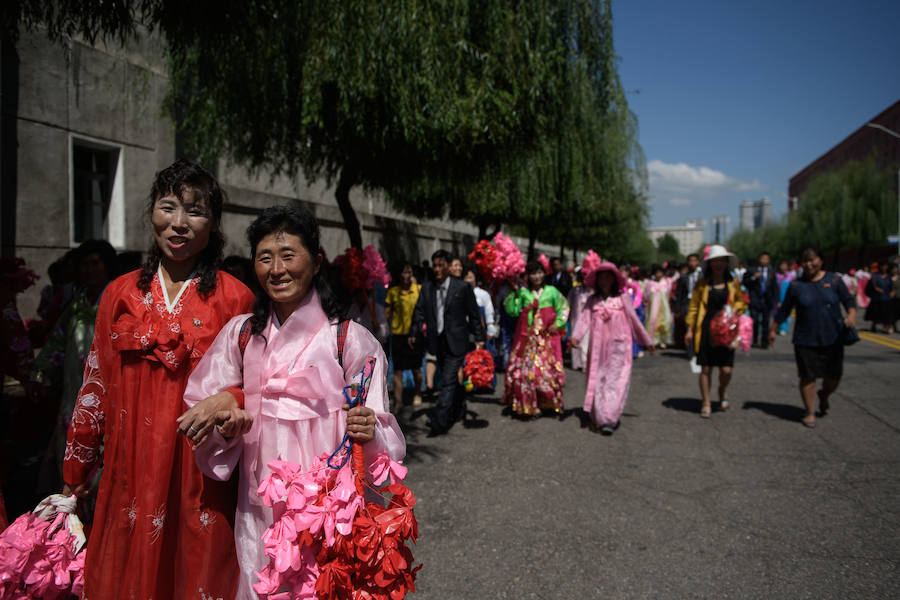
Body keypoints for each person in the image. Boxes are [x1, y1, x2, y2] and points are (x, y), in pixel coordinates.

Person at [182, 202, 406, 598]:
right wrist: (228, 424)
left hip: (327, 505)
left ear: (316, 262)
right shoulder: (242, 334)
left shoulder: (349, 339)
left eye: (289, 255)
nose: (277, 269)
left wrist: (370, 430)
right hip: (259, 501)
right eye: (265, 258)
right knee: (261, 582)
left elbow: (382, 429)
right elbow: (204, 402)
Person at [62, 159, 255, 599]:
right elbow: (96, 384)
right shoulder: (120, 293)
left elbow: (257, 388)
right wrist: (77, 469)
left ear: (214, 223)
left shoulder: (234, 297)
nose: (179, 223)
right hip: (129, 471)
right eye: (169, 207)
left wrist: (230, 398)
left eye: (196, 211)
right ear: (152, 211)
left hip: (200, 476)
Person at [31, 240, 119, 502]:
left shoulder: (117, 302)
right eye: (85, 265)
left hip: (108, 394)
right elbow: (56, 344)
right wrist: (39, 374)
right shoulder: (75, 306)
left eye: (96, 264)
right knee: (71, 453)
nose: (90, 270)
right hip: (73, 395)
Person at [769, 246, 856, 428]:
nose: (809, 264)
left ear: (821, 260)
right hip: (805, 338)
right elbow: (784, 310)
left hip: (833, 337)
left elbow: (848, 300)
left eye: (812, 260)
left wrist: (852, 314)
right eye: (805, 261)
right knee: (807, 376)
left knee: (834, 376)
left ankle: (824, 394)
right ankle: (809, 411)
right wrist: (773, 329)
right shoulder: (796, 286)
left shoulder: (834, 280)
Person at [569, 262, 654, 434]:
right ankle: (599, 415)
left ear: (615, 279)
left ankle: (609, 418)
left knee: (617, 381)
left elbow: (635, 321)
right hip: (598, 348)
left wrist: (647, 340)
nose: (605, 280)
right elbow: (584, 319)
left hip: (620, 347)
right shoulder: (592, 300)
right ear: (597, 280)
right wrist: (576, 337)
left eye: (609, 276)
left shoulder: (623, 299)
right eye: (602, 276)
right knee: (598, 380)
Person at [409, 249, 484, 434]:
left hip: (458, 341)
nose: (437, 269)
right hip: (437, 341)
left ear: (448, 266)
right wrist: (414, 332)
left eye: (440, 265)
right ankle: (459, 406)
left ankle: (439, 421)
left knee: (448, 380)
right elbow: (419, 311)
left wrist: (479, 338)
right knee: (450, 380)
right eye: (434, 265)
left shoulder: (462, 287)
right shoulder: (427, 287)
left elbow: (473, 314)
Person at [685, 245, 746, 419]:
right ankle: (706, 402)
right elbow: (694, 307)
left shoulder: (732, 283)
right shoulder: (703, 284)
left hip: (726, 330)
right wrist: (690, 329)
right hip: (706, 329)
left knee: (726, 369)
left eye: (721, 261)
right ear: (709, 264)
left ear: (726, 263)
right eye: (715, 261)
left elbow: (741, 303)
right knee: (706, 368)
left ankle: (722, 389)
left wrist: (735, 310)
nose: (718, 264)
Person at [502, 260, 570, 417]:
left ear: (544, 274)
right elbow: (512, 311)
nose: (537, 276)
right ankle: (528, 404)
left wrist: (558, 324)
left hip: (547, 339)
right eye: (533, 273)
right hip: (526, 340)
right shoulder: (524, 293)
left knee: (545, 372)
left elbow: (564, 308)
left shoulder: (552, 291)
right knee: (527, 372)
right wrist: (514, 294)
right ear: (528, 276)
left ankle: (547, 402)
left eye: (539, 272)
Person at [385, 262, 424, 409]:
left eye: (409, 272)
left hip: (414, 335)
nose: (407, 276)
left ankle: (418, 392)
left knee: (416, 369)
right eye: (404, 272)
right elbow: (388, 312)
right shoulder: (393, 292)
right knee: (398, 370)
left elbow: (423, 310)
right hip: (398, 335)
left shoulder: (418, 289)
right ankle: (398, 400)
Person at [743, 252, 779, 348]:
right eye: (762, 258)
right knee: (754, 320)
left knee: (765, 322)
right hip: (755, 299)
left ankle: (764, 342)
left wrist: (777, 300)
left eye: (766, 259)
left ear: (769, 260)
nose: (764, 261)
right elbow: (745, 282)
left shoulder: (772, 272)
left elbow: (775, 287)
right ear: (759, 260)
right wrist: (753, 278)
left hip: (767, 300)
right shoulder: (752, 270)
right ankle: (754, 340)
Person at [674, 254, 702, 351]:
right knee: (688, 325)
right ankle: (690, 349)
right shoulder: (683, 277)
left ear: (698, 262)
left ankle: (699, 348)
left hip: (699, 303)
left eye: (694, 260)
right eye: (690, 261)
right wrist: (678, 308)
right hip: (687, 303)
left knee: (699, 325)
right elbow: (679, 294)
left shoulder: (702, 275)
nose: (692, 263)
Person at [567, 269, 592, 371]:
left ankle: (586, 363)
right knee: (576, 340)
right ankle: (577, 363)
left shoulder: (593, 291)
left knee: (587, 341)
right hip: (576, 318)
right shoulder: (575, 290)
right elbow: (568, 303)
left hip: (589, 320)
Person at [644, 264, 673, 348]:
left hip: (664, 307)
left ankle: (663, 340)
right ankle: (653, 340)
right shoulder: (650, 283)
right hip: (653, 307)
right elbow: (646, 295)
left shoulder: (667, 282)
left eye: (660, 272)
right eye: (657, 272)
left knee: (665, 322)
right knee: (653, 322)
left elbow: (668, 294)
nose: (659, 274)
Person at [865, 262, 892, 333]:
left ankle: (885, 327)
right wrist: (875, 289)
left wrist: (892, 292)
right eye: (883, 266)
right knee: (876, 313)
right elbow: (869, 287)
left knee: (886, 314)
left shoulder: (889, 276)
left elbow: (891, 286)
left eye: (885, 266)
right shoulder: (875, 276)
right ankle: (874, 325)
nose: (884, 268)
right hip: (876, 298)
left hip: (886, 298)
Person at [775, 260, 796, 336]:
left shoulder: (791, 276)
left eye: (785, 265)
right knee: (777, 312)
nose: (783, 267)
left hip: (787, 296)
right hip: (778, 296)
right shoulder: (776, 275)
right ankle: (777, 326)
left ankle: (784, 328)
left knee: (786, 312)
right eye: (782, 265)